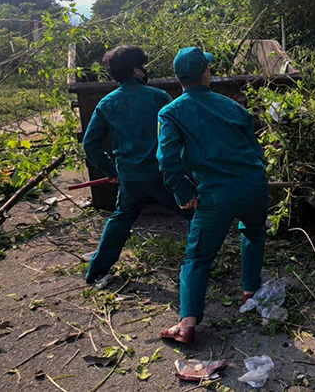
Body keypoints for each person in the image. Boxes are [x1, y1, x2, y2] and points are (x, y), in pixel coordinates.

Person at [157, 47, 268, 345]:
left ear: (179, 78)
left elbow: (167, 160)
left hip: (216, 195)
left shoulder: (170, 112)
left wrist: (183, 192)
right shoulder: (234, 108)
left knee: (198, 257)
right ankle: (250, 291)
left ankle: (187, 325)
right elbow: (256, 151)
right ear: (206, 73)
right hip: (254, 185)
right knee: (254, 234)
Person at [83, 45, 178, 285]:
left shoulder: (107, 103)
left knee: (121, 218)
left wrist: (111, 170)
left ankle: (96, 270)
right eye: (143, 67)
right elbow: (180, 133)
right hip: (161, 174)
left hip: (130, 177)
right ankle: (203, 261)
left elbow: (90, 143)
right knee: (192, 212)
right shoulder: (159, 97)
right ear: (136, 70)